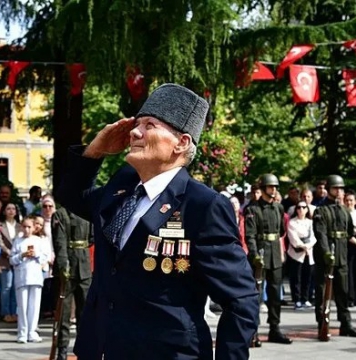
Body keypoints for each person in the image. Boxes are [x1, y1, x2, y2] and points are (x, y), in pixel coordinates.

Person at [56, 83, 258, 359]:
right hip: (101, 348)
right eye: (136, 123)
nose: (134, 132)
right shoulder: (122, 188)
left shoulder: (203, 205)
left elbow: (240, 300)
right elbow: (71, 196)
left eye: (150, 124)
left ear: (181, 143)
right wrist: (94, 151)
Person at [312, 175, 356, 339]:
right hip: (324, 257)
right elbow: (320, 234)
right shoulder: (321, 210)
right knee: (322, 292)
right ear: (329, 189)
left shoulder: (343, 210)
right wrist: (327, 252)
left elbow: (348, 232)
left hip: (341, 255)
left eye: (341, 189)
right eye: (336, 188)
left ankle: (346, 323)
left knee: (343, 290)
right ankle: (322, 323)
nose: (339, 191)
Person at [244, 173, 291, 344]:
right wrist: (255, 255)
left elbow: (281, 231)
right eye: (271, 187)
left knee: (275, 295)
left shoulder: (279, 208)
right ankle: (253, 332)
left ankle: (275, 329)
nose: (274, 190)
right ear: (263, 189)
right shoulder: (252, 210)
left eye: (276, 187)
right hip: (260, 255)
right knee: (256, 296)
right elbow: (250, 236)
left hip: (275, 256)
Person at [51, 206, 93, 360]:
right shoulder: (60, 215)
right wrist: (63, 266)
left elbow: (92, 237)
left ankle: (84, 348)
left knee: (86, 313)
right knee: (64, 314)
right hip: (67, 267)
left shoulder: (87, 212)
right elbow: (59, 243)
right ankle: (62, 350)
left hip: (84, 266)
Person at [10, 216, 48, 343]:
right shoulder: (17, 241)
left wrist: (36, 254)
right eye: (24, 227)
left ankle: (32, 331)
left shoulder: (38, 240)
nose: (26, 229)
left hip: (35, 276)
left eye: (29, 227)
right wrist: (22, 255)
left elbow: (44, 258)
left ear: (33, 228)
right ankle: (22, 332)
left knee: (34, 306)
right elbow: (12, 259)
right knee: (22, 306)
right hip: (22, 277)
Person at [286, 200, 315, 310]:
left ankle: (306, 298)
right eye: (299, 207)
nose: (301, 210)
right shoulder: (292, 222)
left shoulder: (310, 222)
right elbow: (293, 237)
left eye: (303, 207)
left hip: (309, 252)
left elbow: (313, 237)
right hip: (296, 253)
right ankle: (297, 299)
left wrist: (308, 246)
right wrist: (303, 246)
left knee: (307, 277)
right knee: (296, 277)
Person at [0, 202, 22, 323]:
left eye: (13, 209)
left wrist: (16, 254)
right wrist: (8, 251)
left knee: (15, 288)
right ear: (4, 211)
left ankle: (14, 312)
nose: (11, 211)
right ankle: (5, 312)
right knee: (6, 287)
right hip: (5, 259)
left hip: (17, 260)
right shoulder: (0, 225)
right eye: (8, 209)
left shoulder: (20, 226)